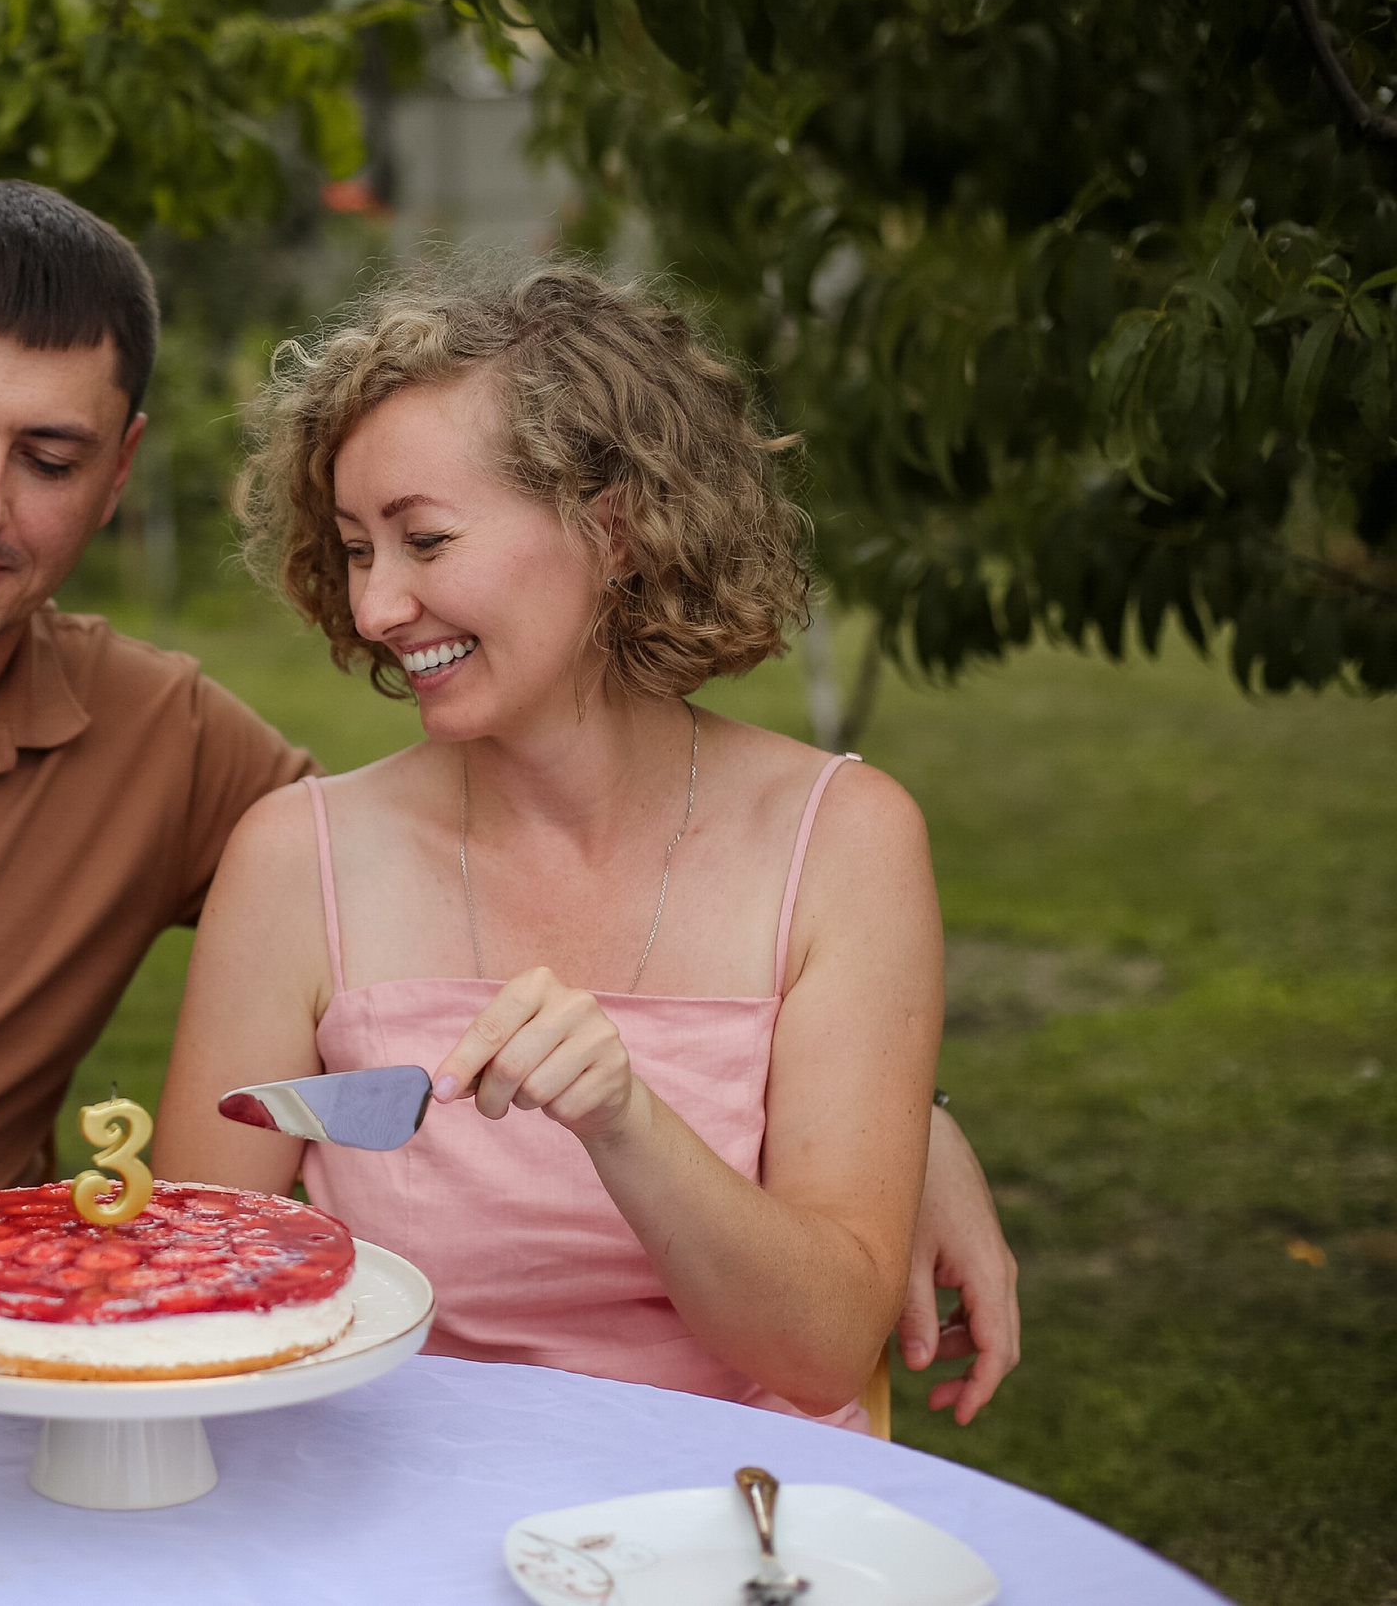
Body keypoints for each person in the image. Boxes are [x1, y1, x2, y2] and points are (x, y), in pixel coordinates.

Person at [0, 181, 1018, 1417]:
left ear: (119, 462)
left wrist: (886, 1115)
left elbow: (465, 911)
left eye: (48, 454)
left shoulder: (171, 746)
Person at [153, 264, 956, 1431]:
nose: (376, 609)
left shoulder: (843, 843)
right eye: (357, 549)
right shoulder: (295, 859)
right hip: (396, 1508)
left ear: (614, 526)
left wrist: (626, 1125)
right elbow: (196, 1297)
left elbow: (825, 1347)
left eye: (423, 540)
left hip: (732, 1524)